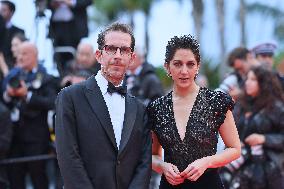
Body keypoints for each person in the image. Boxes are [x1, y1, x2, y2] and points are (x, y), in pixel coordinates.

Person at [55, 22, 152, 189]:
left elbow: (144, 162)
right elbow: (68, 156)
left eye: (124, 50)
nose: (118, 55)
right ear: (99, 55)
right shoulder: (70, 97)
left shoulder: (139, 108)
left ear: (132, 58)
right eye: (111, 49)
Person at [148, 35, 241, 189]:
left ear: (197, 66)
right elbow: (152, 155)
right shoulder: (156, 108)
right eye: (177, 64)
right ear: (167, 66)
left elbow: (235, 149)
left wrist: (207, 161)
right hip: (170, 185)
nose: (184, 71)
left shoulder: (215, 101)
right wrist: (162, 167)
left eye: (190, 64)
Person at [2, 42, 57, 189]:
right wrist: (8, 95)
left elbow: (52, 102)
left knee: (38, 177)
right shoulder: (12, 77)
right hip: (14, 137)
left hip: (36, 139)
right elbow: (3, 103)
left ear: (35, 56)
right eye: (19, 53)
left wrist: (27, 96)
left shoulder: (47, 78)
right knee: (14, 177)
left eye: (24, 53)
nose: (20, 57)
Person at [230, 66, 284, 189]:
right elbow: (231, 129)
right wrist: (235, 141)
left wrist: (264, 139)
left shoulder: (276, 107)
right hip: (242, 166)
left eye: (253, 79)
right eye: (247, 79)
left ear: (264, 83)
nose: (248, 82)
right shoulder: (241, 104)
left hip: (270, 171)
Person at [0, 0, 25, 68]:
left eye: (4, 10)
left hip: (12, 66)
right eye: (0, 10)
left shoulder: (19, 31)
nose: (1, 13)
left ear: (11, 12)